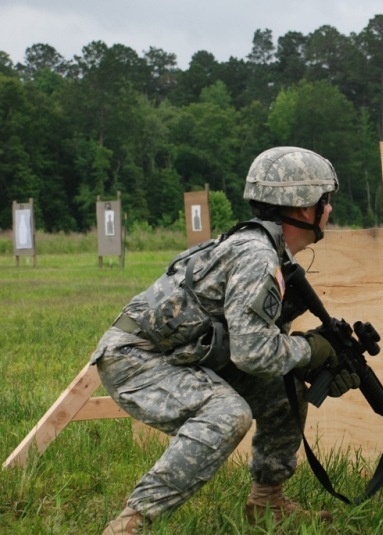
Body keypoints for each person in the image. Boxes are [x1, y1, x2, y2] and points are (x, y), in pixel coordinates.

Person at [91, 146, 360, 534]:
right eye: (326, 200)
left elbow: (254, 340)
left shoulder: (268, 252)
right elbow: (253, 354)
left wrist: (312, 360)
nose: (330, 210)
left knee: (283, 393)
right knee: (227, 414)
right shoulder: (257, 258)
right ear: (305, 209)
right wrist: (309, 350)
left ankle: (268, 503)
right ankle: (132, 522)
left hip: (182, 352)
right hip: (136, 358)